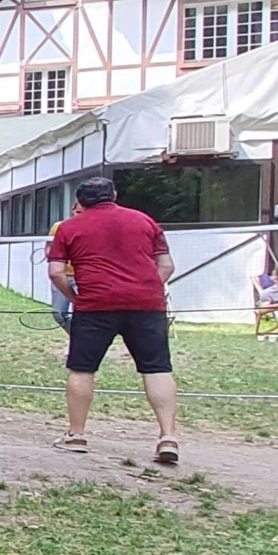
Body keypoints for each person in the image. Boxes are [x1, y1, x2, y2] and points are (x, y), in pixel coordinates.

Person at [45, 175, 182, 465]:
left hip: (96, 304)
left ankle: (77, 434)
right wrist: (149, 289)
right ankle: (167, 436)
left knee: (82, 369)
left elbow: (56, 271)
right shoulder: (145, 221)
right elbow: (167, 264)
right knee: (157, 368)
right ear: (115, 195)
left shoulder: (68, 228)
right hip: (146, 305)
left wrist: (73, 298)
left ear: (80, 202)